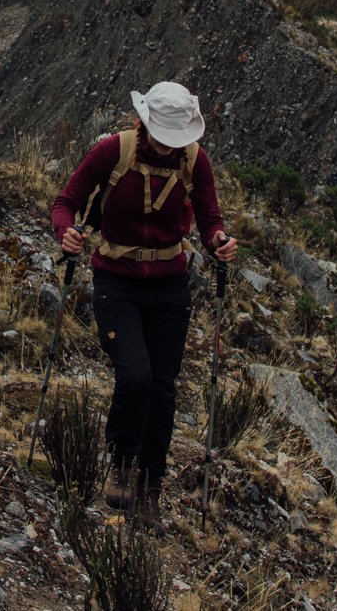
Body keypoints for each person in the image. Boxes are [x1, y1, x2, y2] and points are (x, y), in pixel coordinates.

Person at [50, 80, 236, 525]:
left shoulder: (195, 160)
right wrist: (67, 233)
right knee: (136, 375)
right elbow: (65, 202)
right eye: (164, 139)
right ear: (145, 125)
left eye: (179, 141)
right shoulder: (113, 151)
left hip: (170, 283)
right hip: (117, 279)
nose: (171, 148)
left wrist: (218, 241)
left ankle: (150, 483)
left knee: (163, 387)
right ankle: (120, 462)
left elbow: (210, 216)